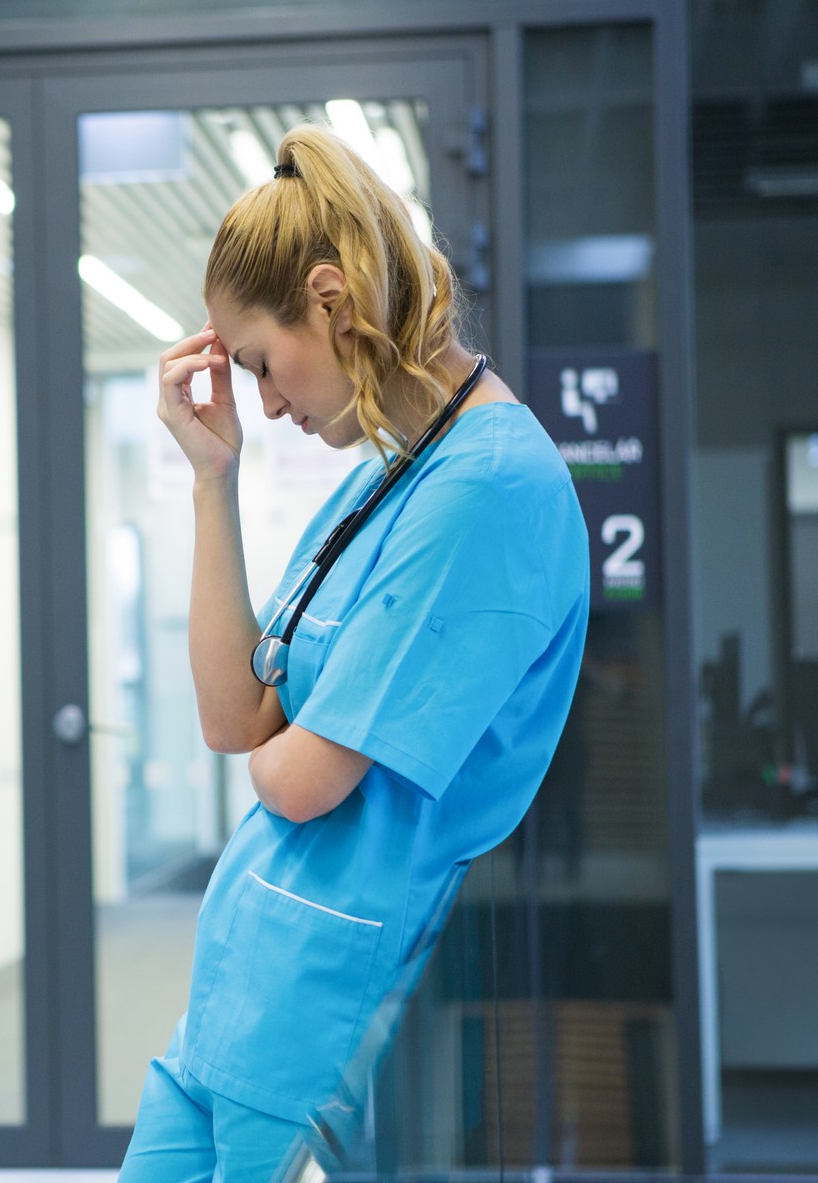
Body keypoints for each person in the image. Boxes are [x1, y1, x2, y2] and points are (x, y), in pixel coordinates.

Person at [125, 124, 590, 1182]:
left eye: (262, 364)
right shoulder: (387, 476)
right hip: (240, 999)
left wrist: (283, 747)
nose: (267, 403)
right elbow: (236, 721)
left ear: (330, 300)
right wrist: (212, 479)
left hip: (331, 1024)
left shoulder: (488, 491)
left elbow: (300, 780)